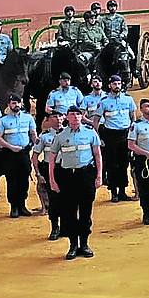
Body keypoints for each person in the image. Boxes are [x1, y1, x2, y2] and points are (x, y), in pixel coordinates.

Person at [47, 105, 103, 261]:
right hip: (67, 177)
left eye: (78, 114)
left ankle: (84, 244)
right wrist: (52, 180)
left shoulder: (90, 133)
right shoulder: (60, 136)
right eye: (72, 114)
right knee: (69, 212)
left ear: (82, 116)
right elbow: (52, 159)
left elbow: (97, 155)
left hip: (85, 175)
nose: (75, 117)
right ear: (66, 117)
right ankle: (73, 245)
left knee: (86, 212)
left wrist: (99, 176)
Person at [96, 75, 136, 202]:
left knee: (124, 164)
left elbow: (133, 117)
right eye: (114, 84)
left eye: (119, 83)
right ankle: (113, 192)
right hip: (110, 135)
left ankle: (123, 191)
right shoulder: (104, 101)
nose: (117, 86)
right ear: (110, 85)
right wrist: (98, 137)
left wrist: (132, 134)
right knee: (112, 164)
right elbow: (96, 120)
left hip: (125, 134)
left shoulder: (128, 99)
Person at [31, 109, 62, 240]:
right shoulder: (44, 136)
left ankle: (67, 226)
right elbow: (35, 156)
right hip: (49, 169)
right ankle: (55, 227)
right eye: (55, 117)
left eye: (60, 116)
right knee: (53, 200)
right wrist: (38, 173)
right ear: (49, 120)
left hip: (66, 169)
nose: (59, 119)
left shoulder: (69, 133)